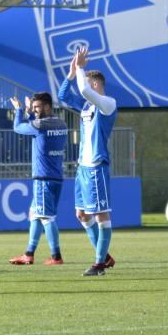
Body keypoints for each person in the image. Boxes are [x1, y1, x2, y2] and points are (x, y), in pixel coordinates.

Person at [58, 46, 118, 277]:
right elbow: (64, 96)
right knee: (82, 215)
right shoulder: (86, 106)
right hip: (83, 168)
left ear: (95, 85)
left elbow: (83, 90)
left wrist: (82, 68)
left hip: (96, 167)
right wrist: (72, 73)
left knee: (102, 215)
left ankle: (99, 264)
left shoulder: (108, 104)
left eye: (87, 81)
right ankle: (104, 256)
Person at [7, 92, 69, 266]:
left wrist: (20, 110)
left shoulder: (40, 125)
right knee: (35, 214)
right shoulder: (62, 123)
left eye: (38, 107)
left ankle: (56, 256)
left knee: (46, 218)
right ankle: (29, 254)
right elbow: (37, 125)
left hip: (43, 178)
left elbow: (18, 127)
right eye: (34, 107)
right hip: (56, 176)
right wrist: (31, 112)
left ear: (48, 106)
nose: (35, 110)